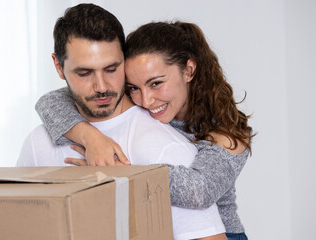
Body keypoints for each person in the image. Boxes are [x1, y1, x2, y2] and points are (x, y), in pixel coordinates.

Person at [17, 3, 227, 240]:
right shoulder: (37, 143)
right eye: (84, 73)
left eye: (112, 69)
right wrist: (90, 136)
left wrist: (126, 179)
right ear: (58, 67)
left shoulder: (164, 146)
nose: (102, 87)